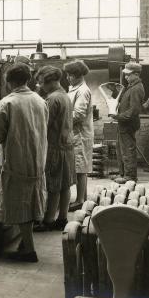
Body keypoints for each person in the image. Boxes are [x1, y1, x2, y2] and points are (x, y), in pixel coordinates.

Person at [0, 63, 48, 262]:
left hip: (16, 159)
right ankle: (23, 244)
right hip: (36, 158)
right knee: (29, 202)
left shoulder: (8, 102)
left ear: (8, 81)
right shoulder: (39, 100)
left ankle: (28, 250)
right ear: (28, 79)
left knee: (18, 202)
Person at [33, 66, 75, 232]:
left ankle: (49, 220)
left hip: (54, 147)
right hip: (67, 146)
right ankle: (62, 218)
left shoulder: (52, 100)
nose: (41, 86)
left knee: (53, 186)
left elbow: (43, 125)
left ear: (50, 82)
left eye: (42, 83)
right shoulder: (65, 95)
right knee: (65, 185)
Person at [64, 60, 94, 210]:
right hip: (77, 134)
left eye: (69, 75)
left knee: (80, 168)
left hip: (80, 134)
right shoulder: (74, 88)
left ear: (77, 75)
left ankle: (80, 200)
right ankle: (83, 196)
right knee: (80, 167)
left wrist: (61, 119)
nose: (67, 78)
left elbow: (79, 114)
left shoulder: (82, 90)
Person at [110, 62, 145, 184]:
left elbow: (134, 110)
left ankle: (130, 177)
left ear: (136, 74)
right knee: (121, 149)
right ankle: (123, 174)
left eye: (128, 75)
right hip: (124, 123)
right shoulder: (131, 86)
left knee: (128, 149)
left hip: (128, 123)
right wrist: (115, 92)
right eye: (125, 75)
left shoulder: (136, 88)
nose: (126, 77)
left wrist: (118, 116)